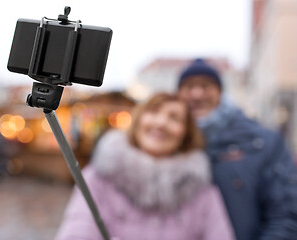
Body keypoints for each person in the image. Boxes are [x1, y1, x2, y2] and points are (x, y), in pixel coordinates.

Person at [55, 93, 235, 240]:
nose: (161, 123)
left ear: (186, 135)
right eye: (154, 112)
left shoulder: (202, 192)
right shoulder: (98, 178)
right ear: (139, 120)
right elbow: (76, 232)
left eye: (174, 118)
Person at [176, 58, 297, 240]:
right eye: (188, 87)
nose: (197, 94)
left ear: (220, 92)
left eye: (205, 85)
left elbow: (285, 214)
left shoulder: (262, 142)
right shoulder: (167, 144)